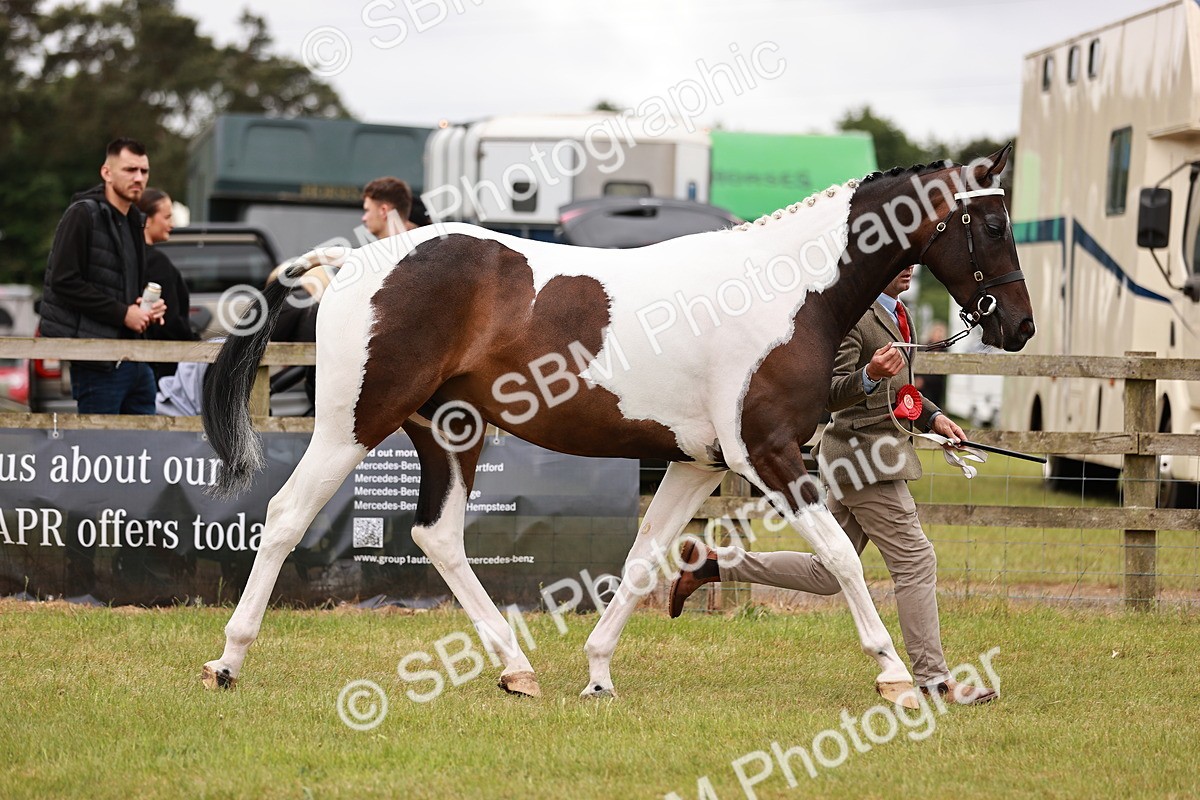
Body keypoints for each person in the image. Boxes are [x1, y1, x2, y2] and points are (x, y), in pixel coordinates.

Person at [668, 265, 997, 706]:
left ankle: (714, 564)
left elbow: (901, 393)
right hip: (864, 463)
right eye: (897, 260)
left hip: (866, 459)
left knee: (827, 573)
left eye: (912, 261)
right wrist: (870, 375)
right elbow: (826, 395)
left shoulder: (900, 313)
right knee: (916, 562)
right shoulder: (852, 319)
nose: (908, 267)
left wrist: (932, 415)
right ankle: (935, 682)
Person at [39, 138, 167, 414]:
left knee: (144, 453)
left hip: (137, 360)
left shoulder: (135, 219)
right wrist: (124, 314)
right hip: (97, 362)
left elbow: (123, 287)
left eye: (144, 171)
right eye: (130, 170)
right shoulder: (82, 214)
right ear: (106, 173)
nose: (138, 178)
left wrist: (146, 309)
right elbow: (64, 281)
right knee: (98, 453)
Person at [137, 188, 199, 382]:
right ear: (147, 220)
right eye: (167, 217)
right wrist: (196, 345)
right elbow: (170, 320)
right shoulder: (156, 262)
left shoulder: (129, 258)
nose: (171, 224)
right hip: (163, 368)